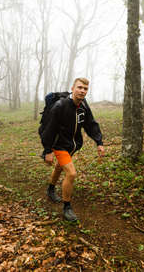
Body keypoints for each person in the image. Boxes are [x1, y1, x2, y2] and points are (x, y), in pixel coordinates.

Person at [41, 78, 104, 222]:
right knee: (71, 173)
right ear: (73, 88)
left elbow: (91, 124)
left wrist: (99, 142)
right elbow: (48, 129)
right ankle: (67, 207)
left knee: (59, 167)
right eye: (80, 87)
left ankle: (51, 189)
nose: (82, 91)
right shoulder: (60, 106)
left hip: (72, 144)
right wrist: (48, 150)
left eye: (85, 89)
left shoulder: (83, 105)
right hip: (59, 145)